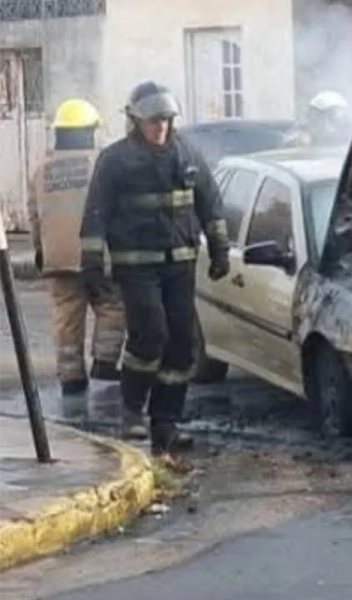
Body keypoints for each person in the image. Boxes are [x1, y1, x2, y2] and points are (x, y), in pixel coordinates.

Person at [79, 81, 231, 457]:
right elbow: (96, 213)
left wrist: (220, 249)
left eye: (166, 119)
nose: (160, 126)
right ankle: (132, 410)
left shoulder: (188, 154)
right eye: (153, 120)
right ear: (135, 120)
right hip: (137, 267)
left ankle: (166, 423)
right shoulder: (115, 161)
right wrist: (93, 263)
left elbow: (210, 204)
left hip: (180, 263)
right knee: (150, 335)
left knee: (182, 343)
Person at [27, 98, 125, 396]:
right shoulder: (104, 162)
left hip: (57, 256)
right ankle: (105, 362)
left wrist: (41, 251)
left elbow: (34, 217)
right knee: (112, 305)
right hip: (99, 255)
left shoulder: (42, 169)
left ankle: (71, 377)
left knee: (66, 316)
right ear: (90, 130)